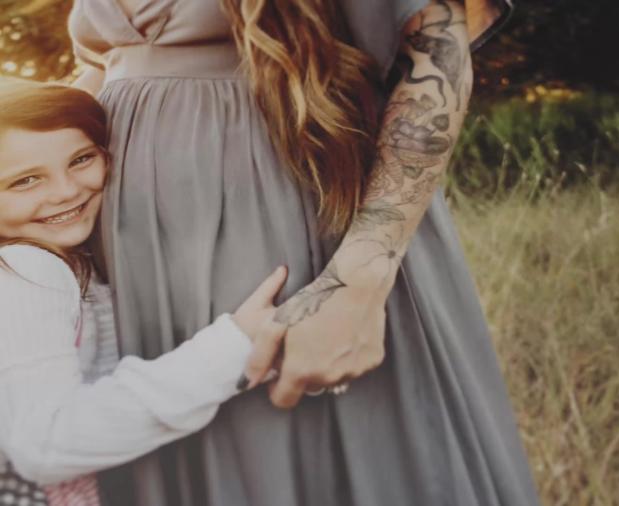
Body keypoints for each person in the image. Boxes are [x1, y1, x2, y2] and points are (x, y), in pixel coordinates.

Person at [68, 0, 541, 504]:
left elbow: (436, 51)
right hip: (140, 275)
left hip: (304, 241)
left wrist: (357, 285)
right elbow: (110, 68)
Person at [0, 79, 290, 505]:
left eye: (81, 159)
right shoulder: (26, 269)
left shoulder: (60, 256)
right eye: (25, 181)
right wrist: (235, 346)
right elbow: (45, 445)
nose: (66, 191)